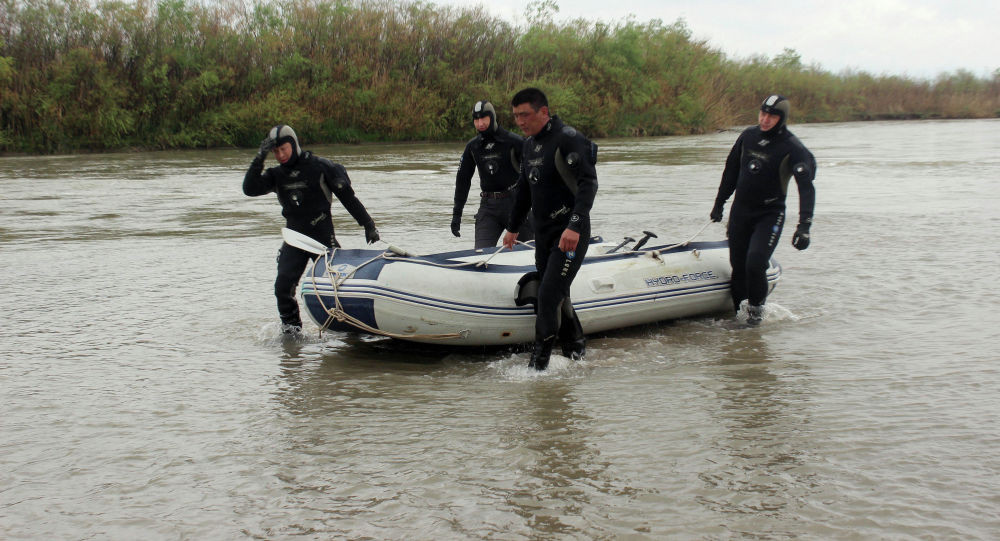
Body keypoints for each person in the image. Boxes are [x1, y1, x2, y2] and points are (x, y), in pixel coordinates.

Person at [243, 124, 381, 334]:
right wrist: (259, 158)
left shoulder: (320, 167)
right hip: (294, 240)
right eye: (275, 151)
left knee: (339, 289)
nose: (280, 155)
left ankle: (353, 332)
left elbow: (348, 198)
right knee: (282, 289)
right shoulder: (276, 175)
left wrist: (368, 224)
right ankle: (292, 335)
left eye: (284, 149)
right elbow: (249, 189)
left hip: (323, 238)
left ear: (294, 144)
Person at [502, 88, 598, 370]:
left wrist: (575, 226)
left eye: (525, 115)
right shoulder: (530, 144)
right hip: (543, 235)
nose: (519, 121)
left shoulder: (568, 139)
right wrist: (512, 227)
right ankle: (576, 353)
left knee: (546, 295)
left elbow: (588, 184)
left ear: (543, 112)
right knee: (559, 294)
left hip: (569, 234)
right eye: (516, 115)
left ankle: (537, 368)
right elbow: (524, 190)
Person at [710, 94, 816, 325]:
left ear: (782, 118)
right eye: (763, 113)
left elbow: (806, 188)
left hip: (769, 214)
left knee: (755, 263)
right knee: (738, 267)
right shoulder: (748, 136)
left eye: (772, 116)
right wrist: (719, 203)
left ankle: (755, 319)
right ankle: (739, 319)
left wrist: (804, 226)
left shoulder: (792, 147)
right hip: (741, 211)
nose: (765, 119)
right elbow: (731, 171)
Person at [452, 100, 533, 248]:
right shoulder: (473, 147)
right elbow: (463, 181)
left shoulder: (514, 142)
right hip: (488, 208)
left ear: (492, 117)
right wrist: (457, 215)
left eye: (484, 118)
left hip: (516, 205)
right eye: (476, 119)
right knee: (481, 255)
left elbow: (536, 174)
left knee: (528, 251)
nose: (480, 123)